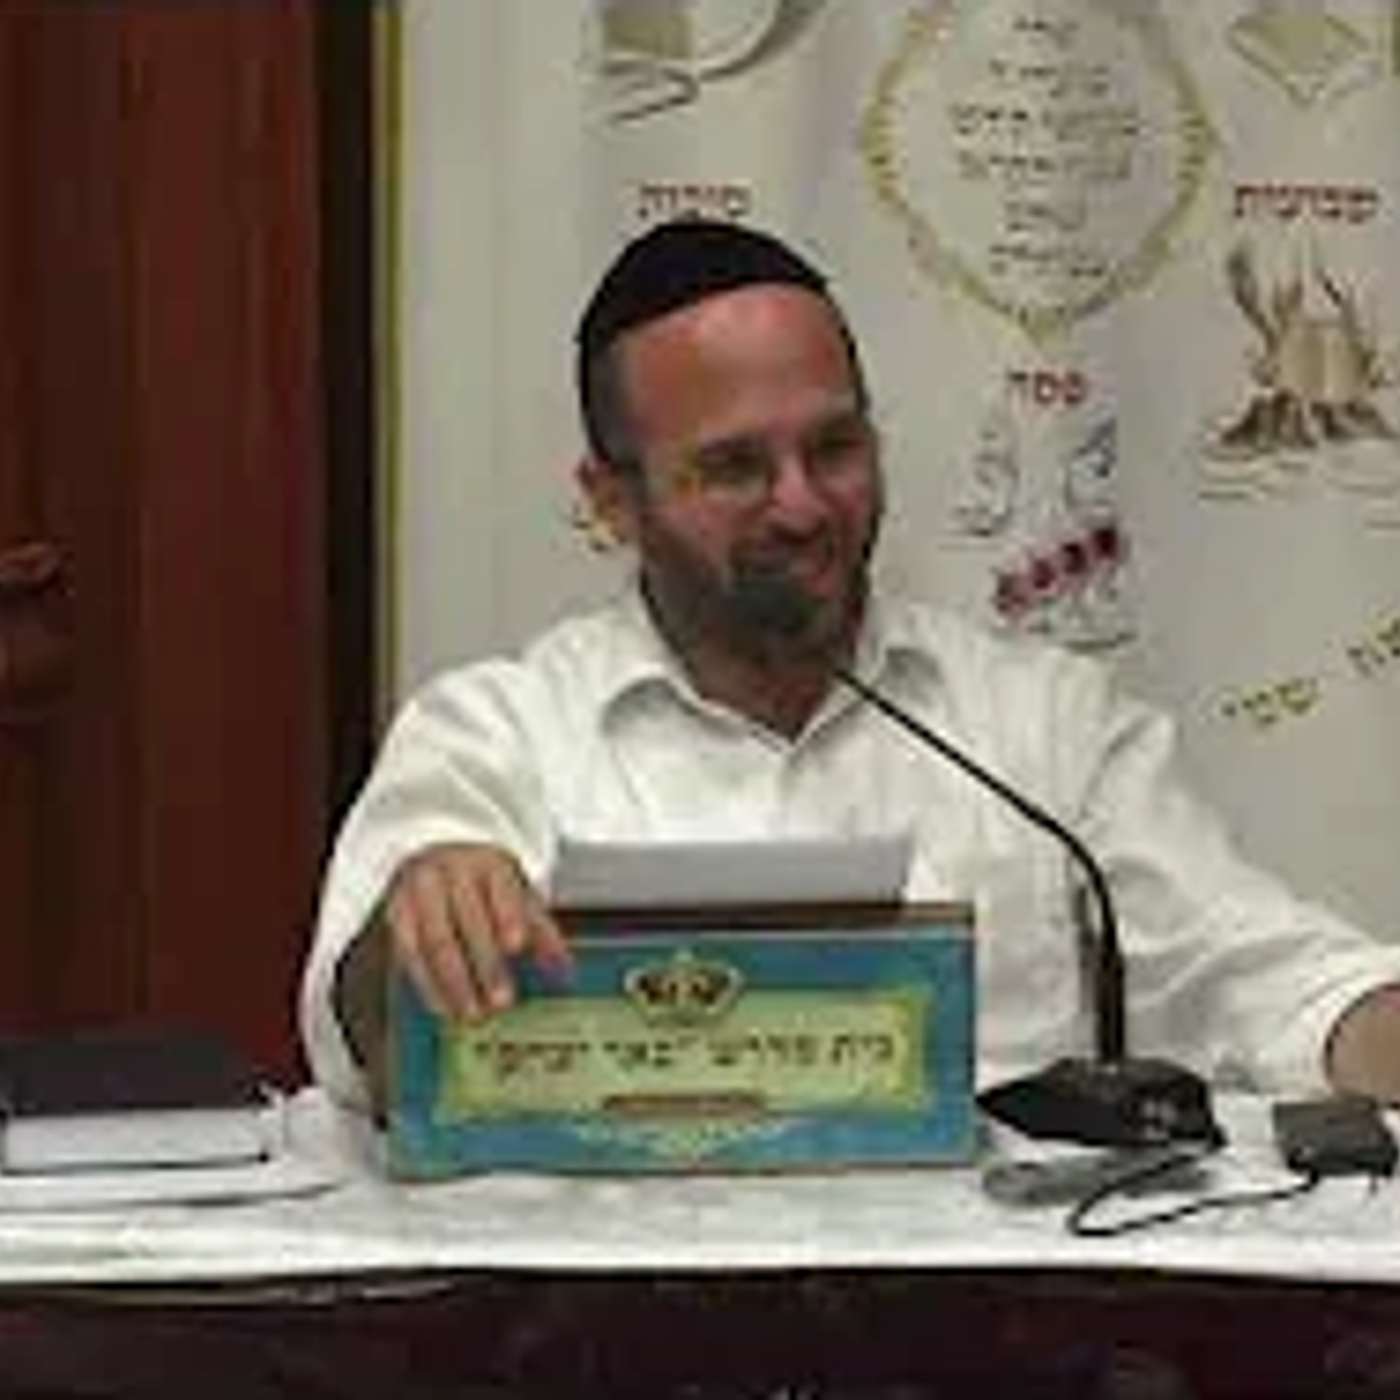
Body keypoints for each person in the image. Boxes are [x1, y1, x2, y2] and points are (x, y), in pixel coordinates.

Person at [301, 218, 1400, 1115]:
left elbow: (1263, 978)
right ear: (611, 501)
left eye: (833, 448)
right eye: (734, 467)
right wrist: (415, 922)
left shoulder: (1040, 725)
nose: (802, 507)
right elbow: (360, 1050)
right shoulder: (497, 734)